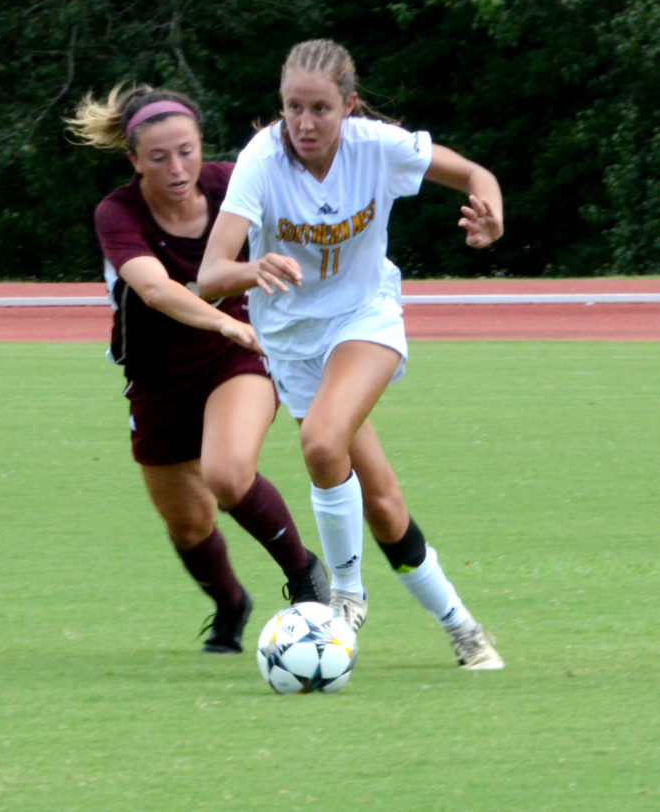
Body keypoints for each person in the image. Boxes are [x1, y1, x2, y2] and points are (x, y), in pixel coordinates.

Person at [198, 38, 505, 669]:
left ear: (350, 107)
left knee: (320, 443)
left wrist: (490, 213)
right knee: (385, 504)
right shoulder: (262, 159)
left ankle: (343, 598)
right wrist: (256, 268)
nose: (304, 125)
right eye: (292, 109)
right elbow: (209, 275)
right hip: (293, 347)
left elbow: (475, 175)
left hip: (365, 319)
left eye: (320, 109)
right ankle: (465, 631)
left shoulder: (378, 149)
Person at [64, 84, 329, 655]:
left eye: (186, 151)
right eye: (158, 158)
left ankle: (306, 580)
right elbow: (155, 289)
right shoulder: (118, 212)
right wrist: (221, 320)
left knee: (228, 474)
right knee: (188, 526)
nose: (176, 168)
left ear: (201, 145)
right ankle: (231, 604)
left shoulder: (233, 182)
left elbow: (314, 209)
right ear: (134, 161)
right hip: (157, 375)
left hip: (235, 357)